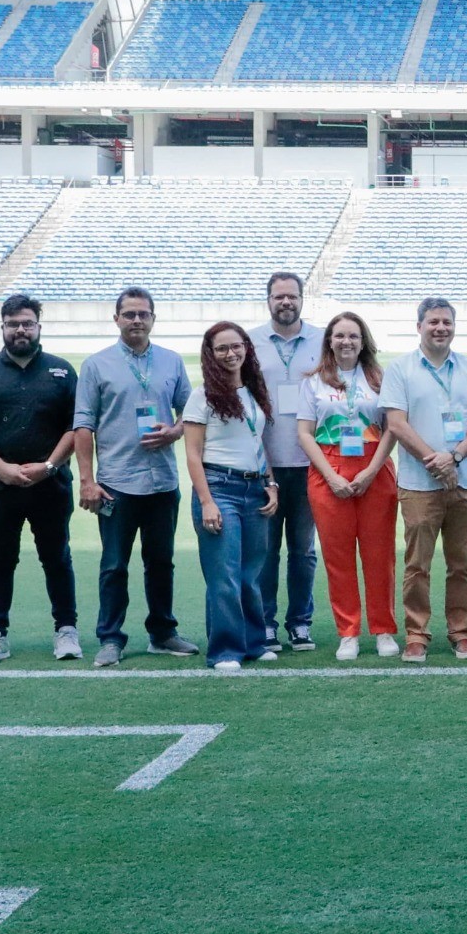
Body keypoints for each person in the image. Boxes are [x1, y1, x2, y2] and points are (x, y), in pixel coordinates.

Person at [73, 287, 200, 667]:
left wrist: (174, 432)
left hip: (162, 481)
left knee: (161, 561)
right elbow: (83, 425)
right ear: (116, 319)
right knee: (114, 564)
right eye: (129, 314)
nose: (136, 320)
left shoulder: (171, 362)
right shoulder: (96, 365)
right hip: (116, 483)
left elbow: (190, 414)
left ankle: (162, 632)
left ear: (153, 318)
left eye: (143, 314)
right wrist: (87, 480)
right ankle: (110, 638)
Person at [0, 293, 80, 667]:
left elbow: (77, 426)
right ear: (3, 328)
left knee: (57, 558)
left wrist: (50, 465)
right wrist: (1, 468)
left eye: (27, 323)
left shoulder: (60, 370)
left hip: (50, 484)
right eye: (13, 324)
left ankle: (66, 631)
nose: (20, 330)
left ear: (39, 326)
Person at [382, 298, 467, 662]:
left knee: (461, 564)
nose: (440, 327)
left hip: (466, 480)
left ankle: (460, 633)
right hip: (418, 483)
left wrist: (455, 457)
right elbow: (396, 424)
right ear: (419, 326)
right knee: (417, 565)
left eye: (446, 321)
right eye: (433, 322)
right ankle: (417, 634)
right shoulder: (400, 369)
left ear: (454, 327)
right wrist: (435, 460)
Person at [296, 310, 397, 662]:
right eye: (339, 335)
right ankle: (348, 632)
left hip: (374, 467)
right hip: (329, 468)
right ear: (329, 341)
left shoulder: (380, 378)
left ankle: (383, 629)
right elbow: (304, 434)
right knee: (338, 558)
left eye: (353, 335)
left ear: (363, 340)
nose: (346, 341)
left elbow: (391, 428)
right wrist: (332, 475)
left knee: (378, 554)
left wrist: (371, 470)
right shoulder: (313, 382)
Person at [183, 322, 279, 673]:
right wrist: (207, 501)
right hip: (219, 487)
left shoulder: (253, 390)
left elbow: (258, 444)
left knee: (251, 574)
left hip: (254, 489)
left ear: (246, 348)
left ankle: (254, 643)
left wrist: (271, 483)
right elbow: (193, 454)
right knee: (223, 574)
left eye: (235, 346)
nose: (230, 353)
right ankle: (225, 651)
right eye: (221, 348)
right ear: (210, 354)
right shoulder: (203, 395)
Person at [251, 272, 323, 652]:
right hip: (266, 464)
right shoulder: (251, 341)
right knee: (265, 550)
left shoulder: (323, 339)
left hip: (310, 462)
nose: (286, 302)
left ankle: (300, 623)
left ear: (301, 300)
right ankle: (265, 623)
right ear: (268, 301)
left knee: (303, 549)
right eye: (279, 296)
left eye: (292, 296)